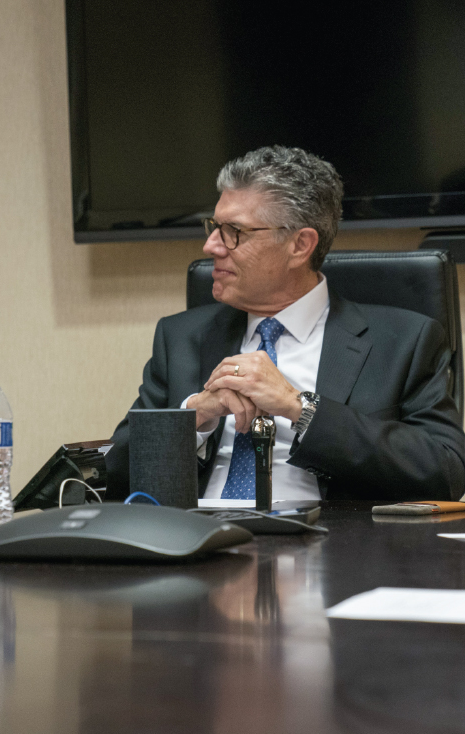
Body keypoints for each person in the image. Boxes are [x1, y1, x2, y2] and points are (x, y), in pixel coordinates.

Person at [105, 146, 465, 506]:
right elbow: (116, 477)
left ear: (300, 245)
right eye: (215, 227)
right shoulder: (181, 338)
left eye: (234, 232)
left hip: (331, 547)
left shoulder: (404, 340)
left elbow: (444, 474)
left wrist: (300, 408)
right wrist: (194, 415)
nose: (211, 245)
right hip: (196, 543)